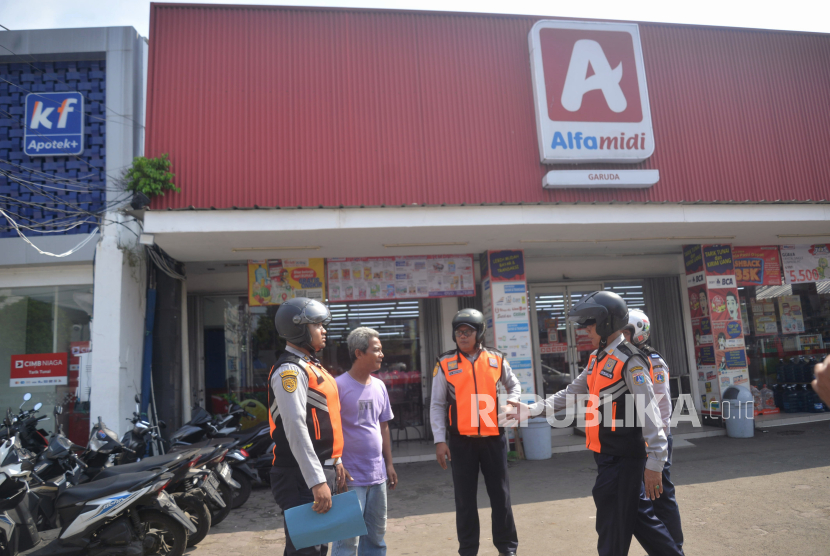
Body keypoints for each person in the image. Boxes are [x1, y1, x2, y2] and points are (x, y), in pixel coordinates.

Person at [501, 292, 682, 556]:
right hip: (607, 457)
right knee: (642, 522)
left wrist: (655, 462)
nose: (585, 330)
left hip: (622, 460)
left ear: (607, 324)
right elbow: (572, 392)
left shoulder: (630, 361)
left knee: (611, 532)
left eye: (590, 324)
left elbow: (651, 414)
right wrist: (532, 410)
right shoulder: (598, 358)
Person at [430, 308, 521, 556]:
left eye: (467, 331)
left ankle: (507, 548)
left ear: (479, 333)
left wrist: (511, 403)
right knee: (465, 501)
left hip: (494, 439)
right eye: (458, 332)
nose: (462, 336)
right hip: (461, 443)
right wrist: (440, 440)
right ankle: (468, 550)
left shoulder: (496, 359)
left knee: (500, 497)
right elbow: (437, 404)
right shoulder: (445, 362)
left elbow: (514, 385)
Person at [268, 297, 352, 556]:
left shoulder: (310, 365)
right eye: (316, 324)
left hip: (315, 471)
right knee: (306, 551)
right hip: (299, 476)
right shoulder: (289, 372)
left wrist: (336, 462)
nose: (323, 330)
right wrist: (317, 481)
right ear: (298, 328)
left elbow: (324, 422)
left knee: (317, 549)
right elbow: (295, 429)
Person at [622, 309, 685, 552]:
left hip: (655, 440)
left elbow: (662, 405)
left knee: (661, 497)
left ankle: (675, 547)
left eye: (624, 332)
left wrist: (657, 446)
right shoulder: (625, 359)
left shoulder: (652, 360)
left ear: (637, 333)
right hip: (635, 441)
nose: (619, 337)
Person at [332, 327, 397, 556]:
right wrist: (336, 463)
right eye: (376, 350)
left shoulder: (379, 386)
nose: (381, 354)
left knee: (376, 538)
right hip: (350, 479)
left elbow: (384, 426)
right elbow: (331, 431)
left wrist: (388, 464)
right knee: (347, 540)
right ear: (359, 353)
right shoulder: (338, 387)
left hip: (377, 476)